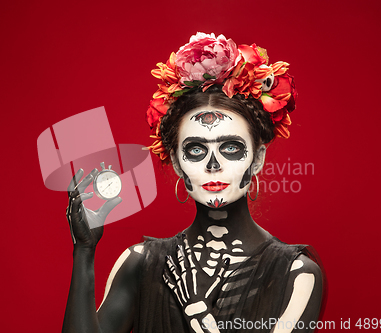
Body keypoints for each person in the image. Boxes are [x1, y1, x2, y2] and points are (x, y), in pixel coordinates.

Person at [62, 33, 325, 333]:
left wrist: (200, 318)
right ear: (176, 162)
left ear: (258, 158)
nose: (213, 165)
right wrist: (84, 251)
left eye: (230, 148)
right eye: (196, 150)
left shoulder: (296, 275)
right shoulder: (140, 264)